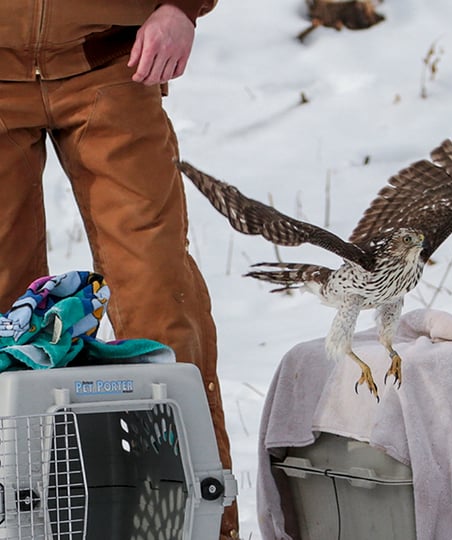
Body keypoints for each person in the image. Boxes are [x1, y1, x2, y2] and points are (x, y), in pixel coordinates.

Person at [0, 1, 238, 538]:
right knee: (3, 332)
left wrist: (183, 7)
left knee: (160, 306)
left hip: (115, 61)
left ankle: (197, 526)